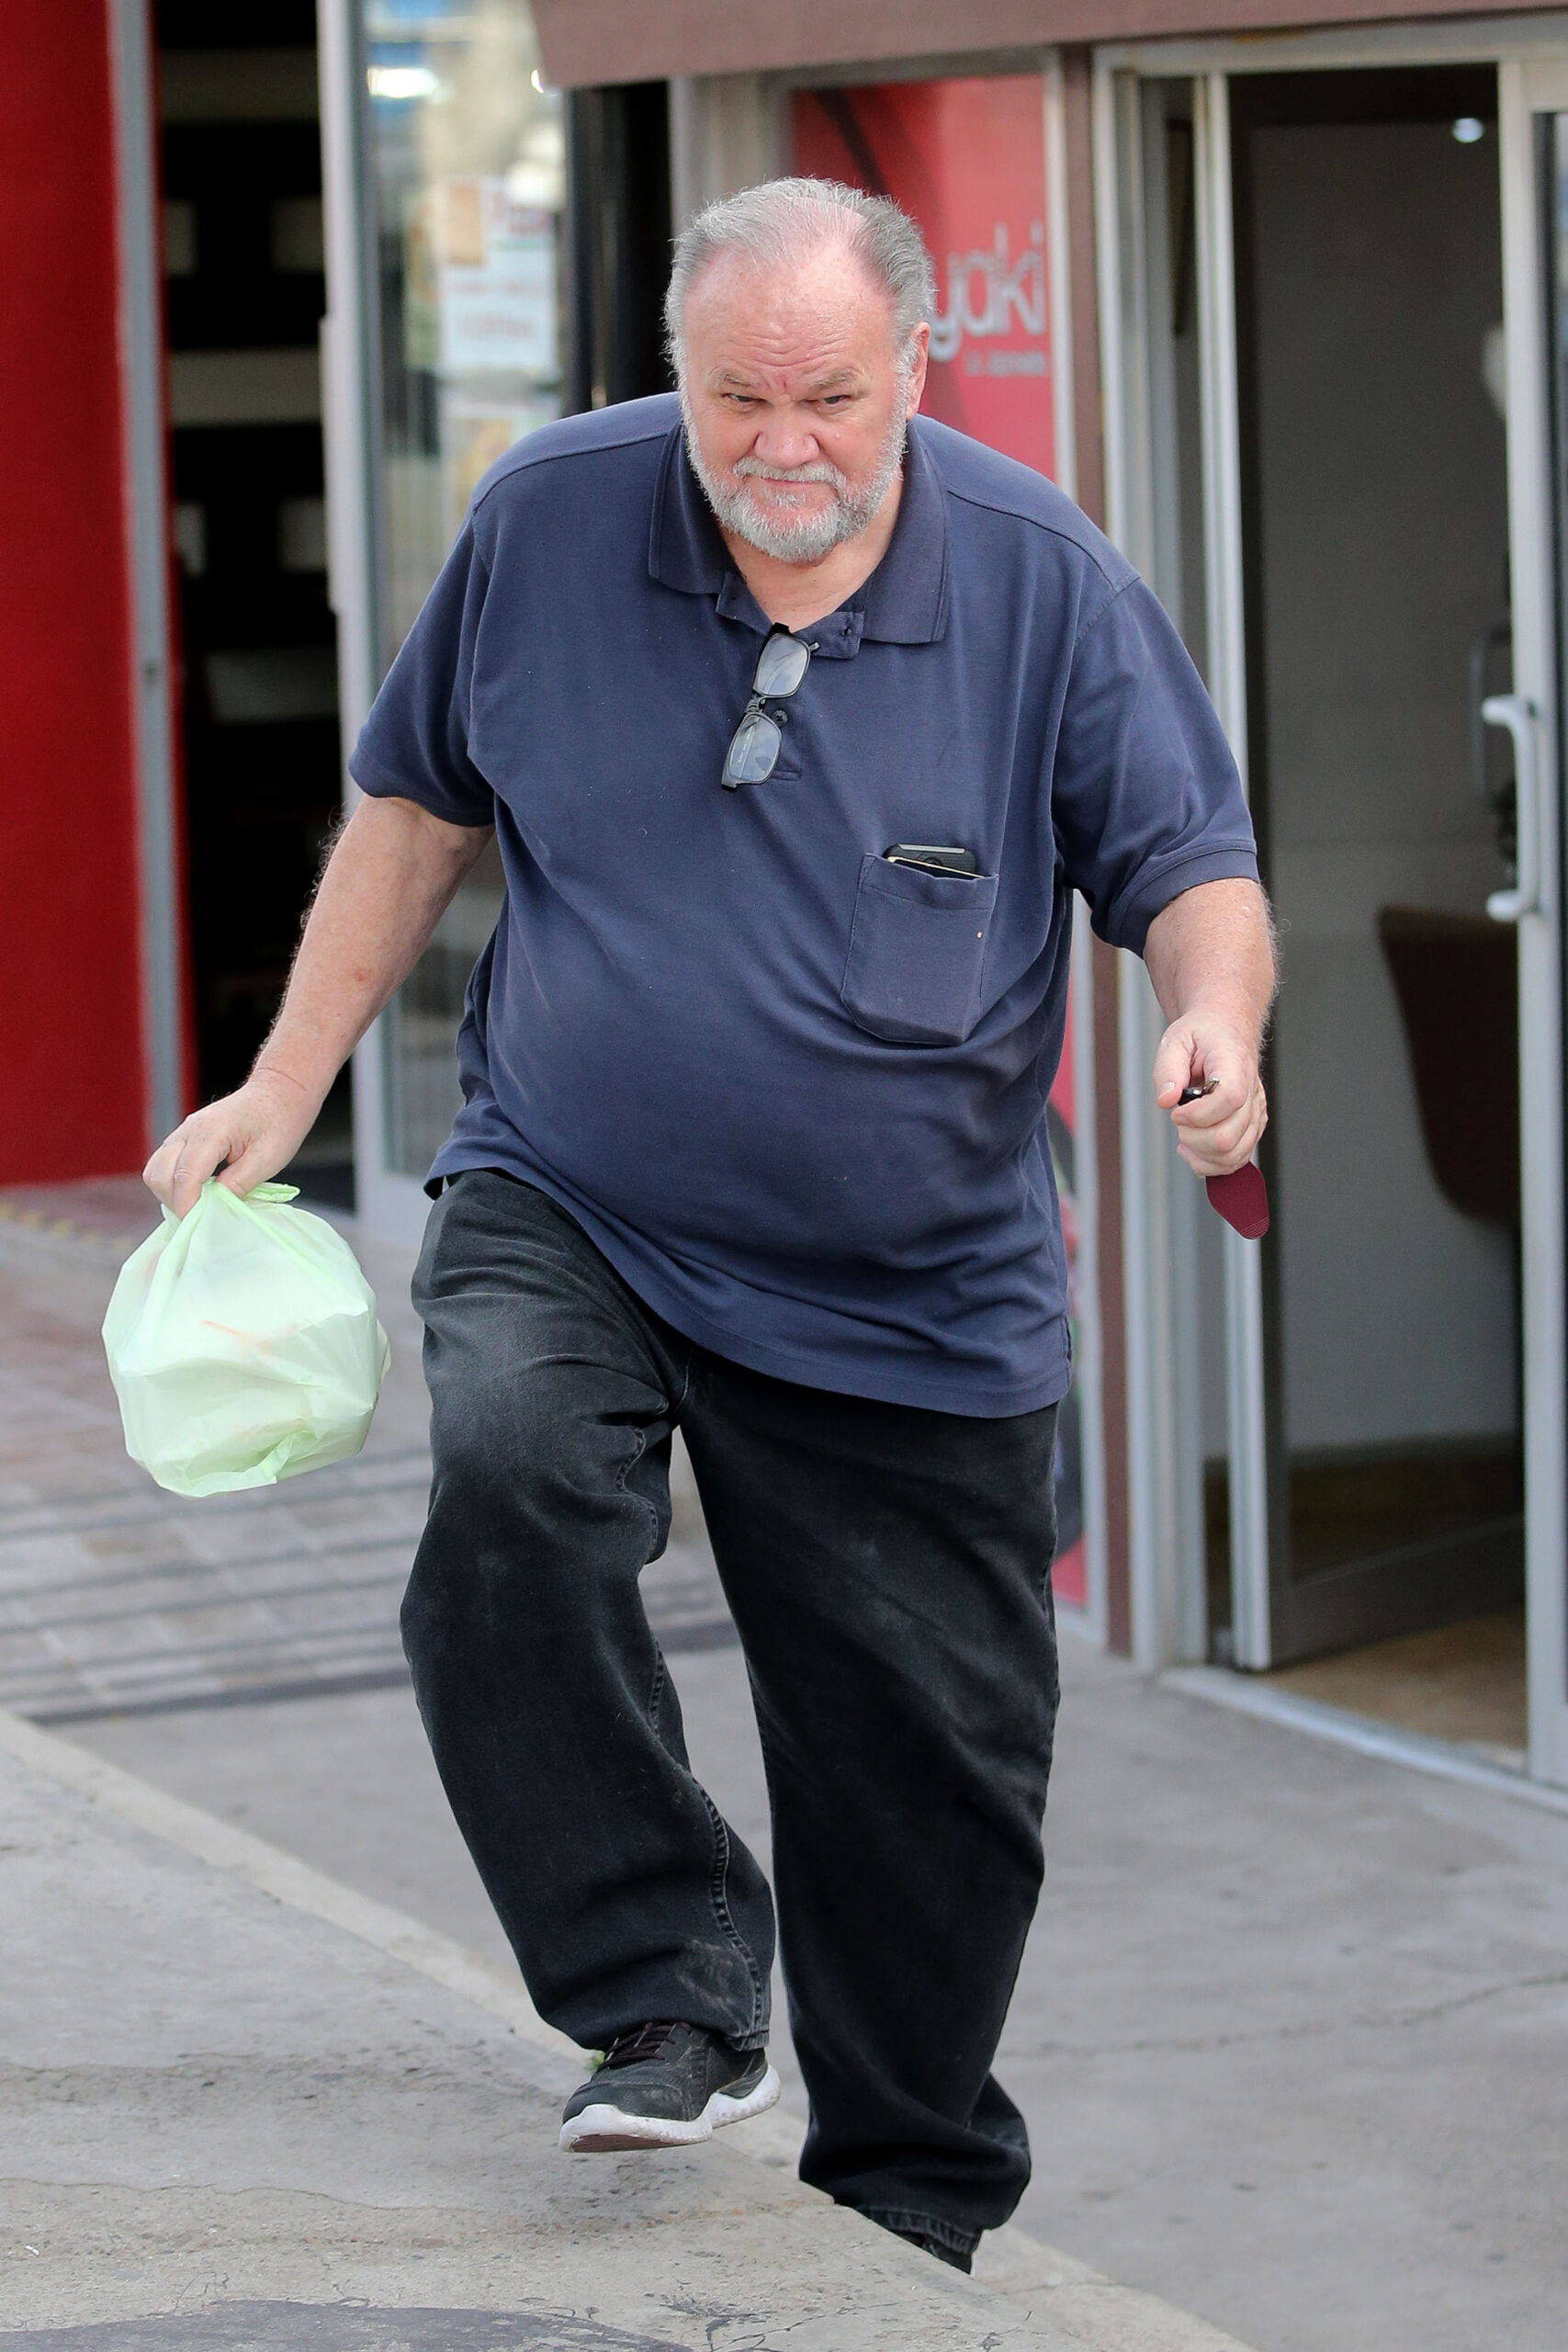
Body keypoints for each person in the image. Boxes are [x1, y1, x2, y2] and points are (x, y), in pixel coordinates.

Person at [145, 177, 1272, 2274]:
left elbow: (1188, 861)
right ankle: (663, 1971)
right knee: (502, 1481)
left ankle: (905, 2204)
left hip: (912, 1290)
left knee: (928, 1782)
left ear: (909, 373)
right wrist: (284, 1090)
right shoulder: (544, 520)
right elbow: (412, 803)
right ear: (674, 373)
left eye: (829, 396)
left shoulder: (1040, 580)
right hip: (573, 1193)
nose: (781, 443)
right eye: (733, 394)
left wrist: (1210, 1017)